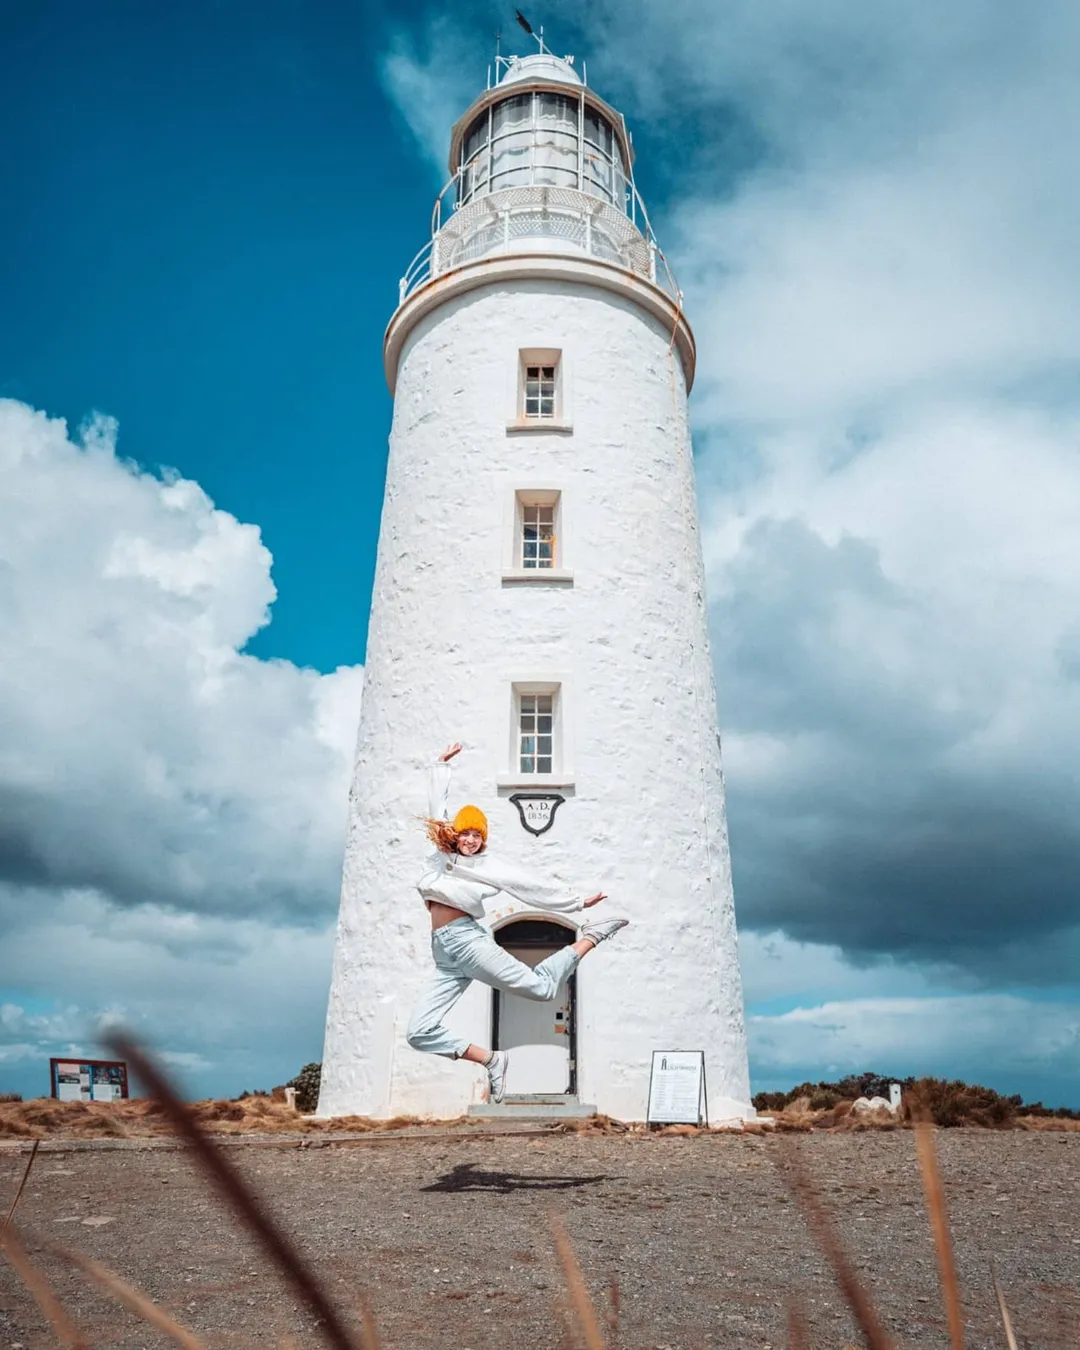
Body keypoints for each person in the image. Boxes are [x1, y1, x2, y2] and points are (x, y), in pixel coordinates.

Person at [406, 742, 628, 1104]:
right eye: (465, 833)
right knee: (419, 1032)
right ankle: (492, 1059)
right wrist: (440, 767)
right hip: (444, 953)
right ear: (455, 835)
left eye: (477, 835)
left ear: (483, 839)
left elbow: (530, 887)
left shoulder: (491, 866)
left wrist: (576, 902)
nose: (470, 840)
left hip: (466, 941)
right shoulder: (440, 856)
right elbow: (437, 809)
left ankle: (589, 938)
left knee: (540, 989)